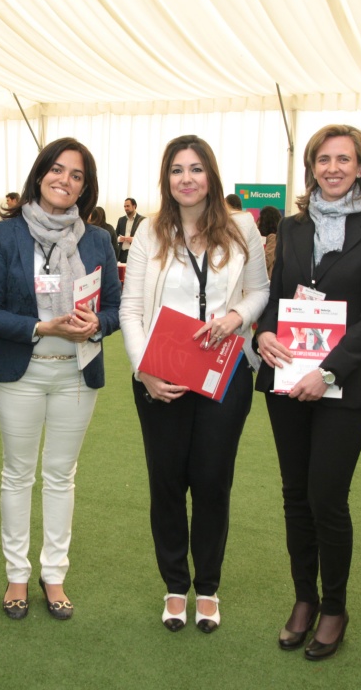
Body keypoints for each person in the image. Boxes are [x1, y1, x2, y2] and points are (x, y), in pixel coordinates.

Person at [253, 124, 361, 661]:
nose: (333, 168)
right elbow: (275, 295)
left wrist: (329, 372)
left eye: (344, 159)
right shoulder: (292, 229)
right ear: (311, 167)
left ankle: (334, 606)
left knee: (327, 497)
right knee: (295, 495)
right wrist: (263, 331)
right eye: (323, 159)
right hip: (287, 378)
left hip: (346, 384)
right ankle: (304, 599)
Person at [120, 135, 269, 635]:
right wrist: (143, 369)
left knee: (211, 481)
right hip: (161, 374)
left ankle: (207, 587)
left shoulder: (242, 228)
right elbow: (131, 309)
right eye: (177, 170)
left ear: (212, 175)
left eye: (196, 169)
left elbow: (260, 290)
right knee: (166, 482)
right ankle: (174, 585)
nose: (187, 178)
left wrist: (235, 317)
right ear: (167, 179)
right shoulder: (149, 231)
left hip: (225, 372)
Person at [0, 138, 121, 621]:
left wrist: (96, 324)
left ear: (85, 186)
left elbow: (116, 308)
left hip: (77, 373)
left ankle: (53, 574)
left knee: (61, 475)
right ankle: (17, 574)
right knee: (18, 474)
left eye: (76, 175)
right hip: (21, 373)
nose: (65, 180)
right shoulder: (6, 235)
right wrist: (42, 326)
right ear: (40, 175)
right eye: (57, 170)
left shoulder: (97, 240)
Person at [116, 198, 144, 263]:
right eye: (124, 206)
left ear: (134, 206)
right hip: (122, 254)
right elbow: (115, 235)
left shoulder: (142, 220)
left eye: (128, 206)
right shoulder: (121, 220)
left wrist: (134, 240)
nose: (126, 208)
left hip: (135, 253)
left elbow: (145, 238)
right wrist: (119, 239)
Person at [257, 205, 282, 278]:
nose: (258, 222)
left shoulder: (273, 238)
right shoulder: (275, 237)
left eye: (260, 219)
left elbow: (266, 260)